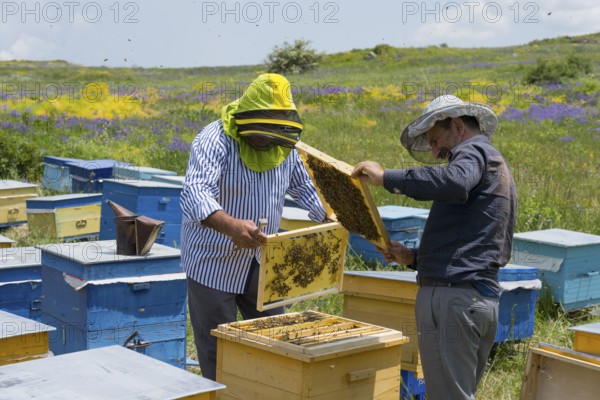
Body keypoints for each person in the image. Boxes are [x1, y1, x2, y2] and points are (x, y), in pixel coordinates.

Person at [351, 95, 517, 400]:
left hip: (454, 299)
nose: (437, 152)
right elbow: (474, 242)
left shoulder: (473, 153)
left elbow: (453, 182)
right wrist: (413, 257)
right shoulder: (492, 164)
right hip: (477, 297)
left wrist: (386, 177)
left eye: (436, 140)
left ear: (456, 125)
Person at [180, 73, 326, 381]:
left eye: (274, 130)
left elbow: (305, 187)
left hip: (262, 261)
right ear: (246, 116)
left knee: (275, 340)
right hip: (213, 261)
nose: (267, 138)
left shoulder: (284, 144)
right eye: (262, 130)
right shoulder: (214, 139)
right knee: (217, 348)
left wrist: (329, 217)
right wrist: (231, 226)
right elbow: (195, 192)